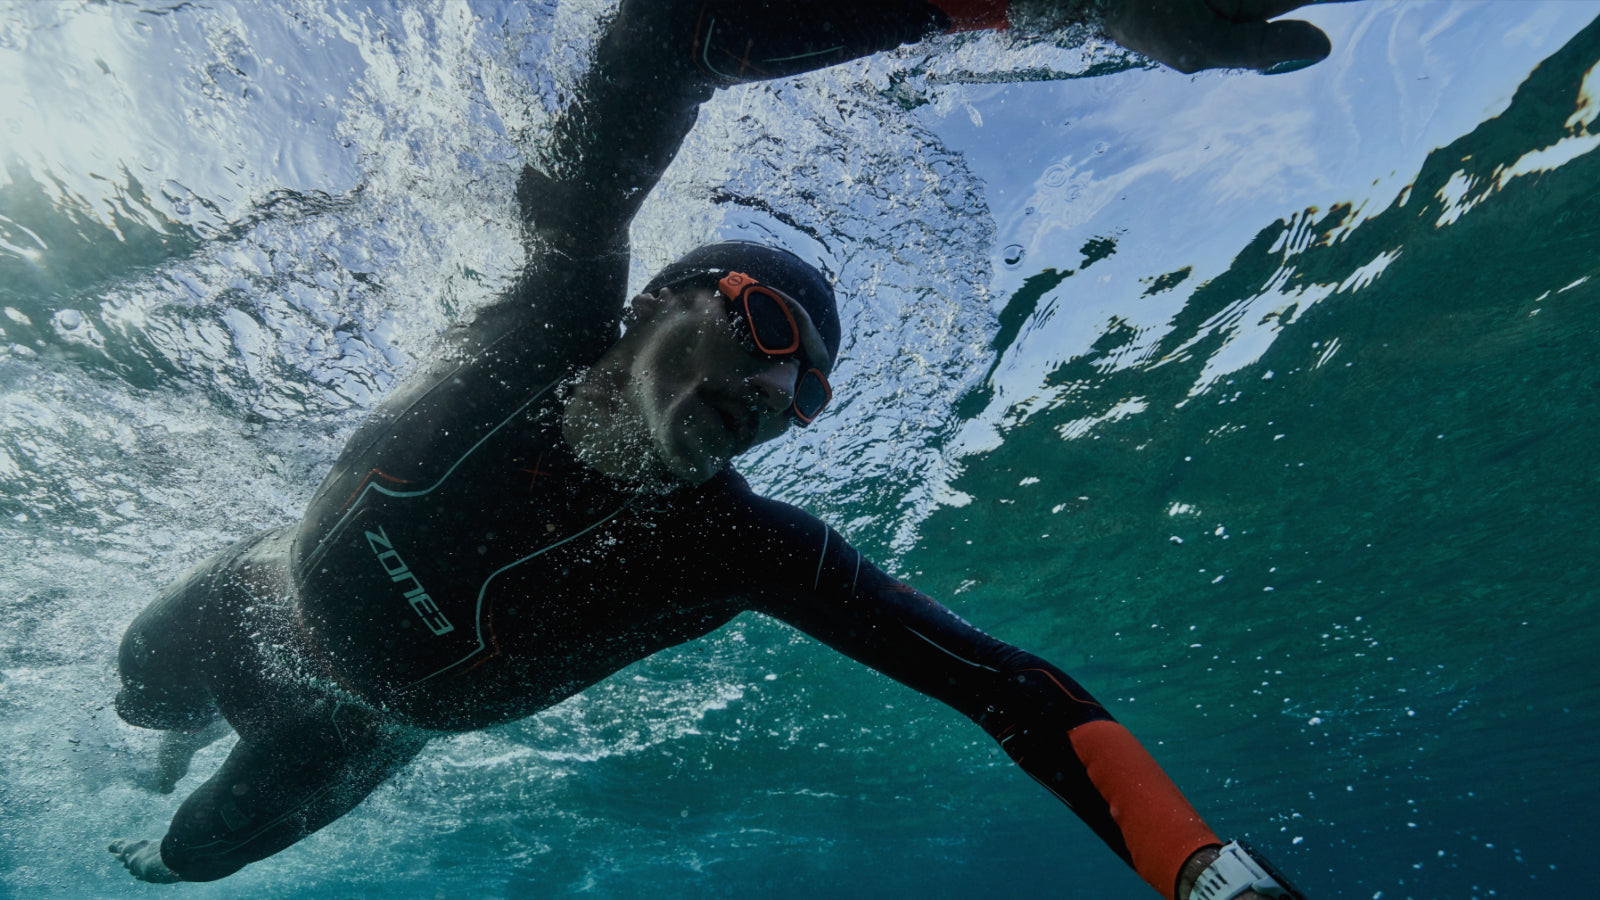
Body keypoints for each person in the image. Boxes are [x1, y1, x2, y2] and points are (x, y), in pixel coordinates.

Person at [109, 1, 1339, 896]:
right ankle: (171, 738)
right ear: (660, 302)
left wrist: (1203, 875)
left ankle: (176, 802)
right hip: (253, 600)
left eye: (807, 391)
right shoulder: (544, 319)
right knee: (141, 693)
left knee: (188, 862)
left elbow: (1003, 688)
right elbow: (665, 36)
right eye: (767, 329)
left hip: (356, 729)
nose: (775, 389)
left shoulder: (737, 549)